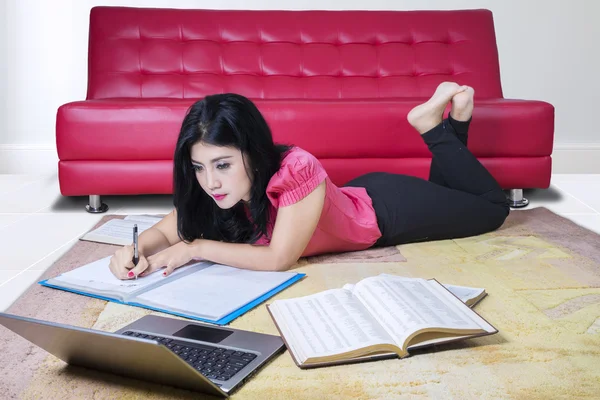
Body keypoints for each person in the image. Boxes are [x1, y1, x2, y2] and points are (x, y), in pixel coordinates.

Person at [108, 82, 509, 280]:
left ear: (251, 150)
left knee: (492, 208)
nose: (210, 181)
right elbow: (165, 231)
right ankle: (452, 121)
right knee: (454, 196)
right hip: (356, 195)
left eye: (223, 165)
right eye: (198, 167)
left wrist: (194, 249)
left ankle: (433, 126)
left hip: (387, 212)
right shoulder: (210, 185)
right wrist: (131, 250)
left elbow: (280, 260)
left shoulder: (295, 167)